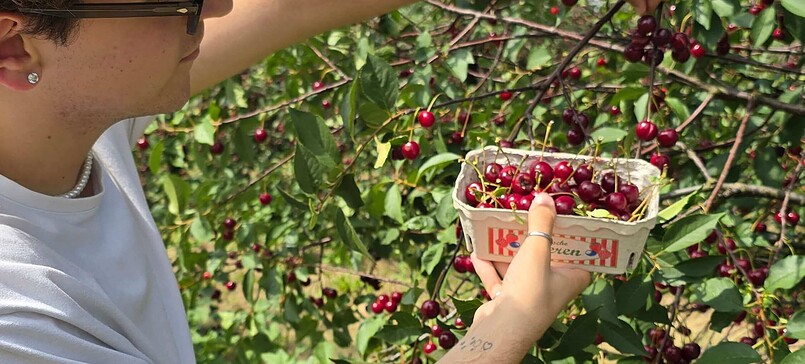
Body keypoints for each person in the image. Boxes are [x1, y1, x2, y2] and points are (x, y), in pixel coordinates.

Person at [0, 1, 657, 363]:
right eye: (182, 1)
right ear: (15, 45)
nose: (219, 6)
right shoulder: (20, 323)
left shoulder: (65, 121)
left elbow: (284, 6)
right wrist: (510, 323)